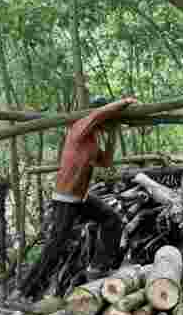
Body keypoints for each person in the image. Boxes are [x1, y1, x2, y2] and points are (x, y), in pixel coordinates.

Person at [19, 96, 139, 298]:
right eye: (106, 121)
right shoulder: (80, 128)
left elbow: (107, 161)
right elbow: (97, 115)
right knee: (55, 246)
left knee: (111, 220)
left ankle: (98, 268)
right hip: (65, 198)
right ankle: (26, 292)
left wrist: (113, 132)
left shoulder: (92, 139)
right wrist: (123, 102)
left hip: (80, 198)